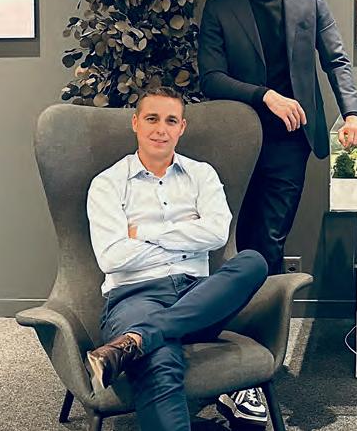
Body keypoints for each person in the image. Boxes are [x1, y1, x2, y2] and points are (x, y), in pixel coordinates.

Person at [196, 0, 357, 424]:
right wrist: (265, 95)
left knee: (268, 245)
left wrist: (352, 113)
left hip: (291, 143)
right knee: (229, 244)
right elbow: (210, 78)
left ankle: (257, 362)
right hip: (236, 143)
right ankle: (224, 353)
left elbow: (336, 60)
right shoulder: (219, 8)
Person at [84, 86, 269, 431]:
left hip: (198, 297)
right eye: (152, 119)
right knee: (159, 360)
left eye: (171, 121)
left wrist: (141, 232)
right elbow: (112, 257)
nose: (161, 129)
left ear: (181, 127)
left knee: (253, 262)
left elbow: (216, 234)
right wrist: (187, 235)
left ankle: (136, 341)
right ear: (136, 123)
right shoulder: (107, 184)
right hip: (135, 298)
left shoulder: (202, 175)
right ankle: (147, 339)